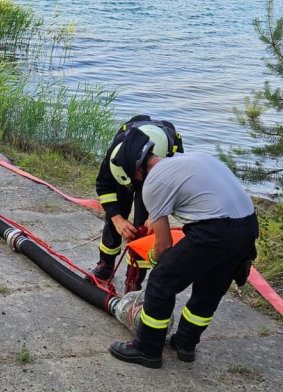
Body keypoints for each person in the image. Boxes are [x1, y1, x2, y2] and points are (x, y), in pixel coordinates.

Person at [108, 126, 258, 369]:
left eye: (132, 180)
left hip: (215, 231)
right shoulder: (191, 159)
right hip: (248, 228)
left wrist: (153, 259)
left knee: (160, 282)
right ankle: (186, 344)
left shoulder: (152, 182)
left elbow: (164, 244)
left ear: (136, 171)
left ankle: (147, 349)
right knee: (210, 287)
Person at [92, 115, 183, 288]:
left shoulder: (173, 154)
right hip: (126, 172)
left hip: (155, 179)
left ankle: (134, 279)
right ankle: (106, 264)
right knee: (116, 213)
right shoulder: (117, 153)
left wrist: (155, 216)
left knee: (144, 228)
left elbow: (173, 190)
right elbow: (104, 186)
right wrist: (117, 218)